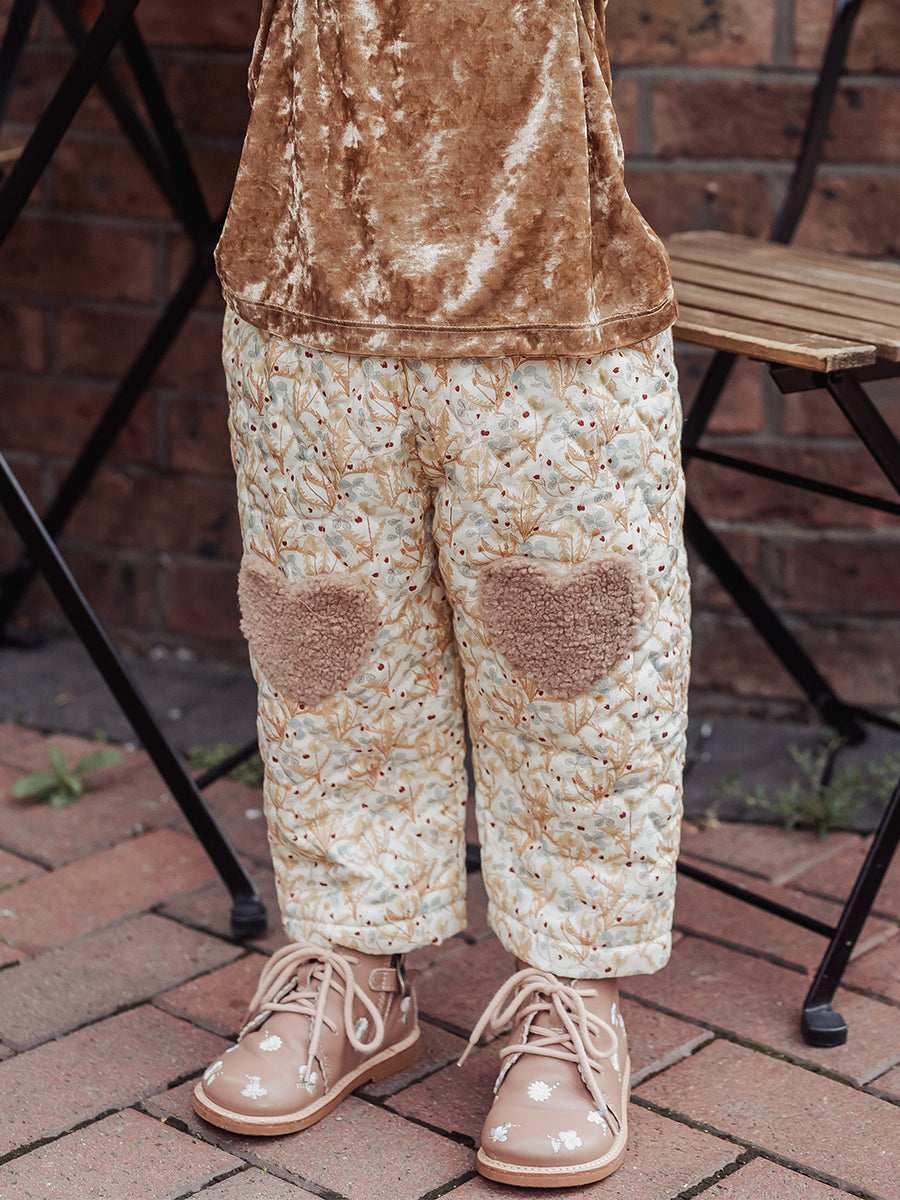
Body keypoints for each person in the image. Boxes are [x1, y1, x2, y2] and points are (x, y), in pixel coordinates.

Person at [193, 0, 690, 1187]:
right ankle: (354, 966)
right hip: (312, 288)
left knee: (574, 672)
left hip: (550, 293)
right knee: (329, 663)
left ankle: (574, 988)